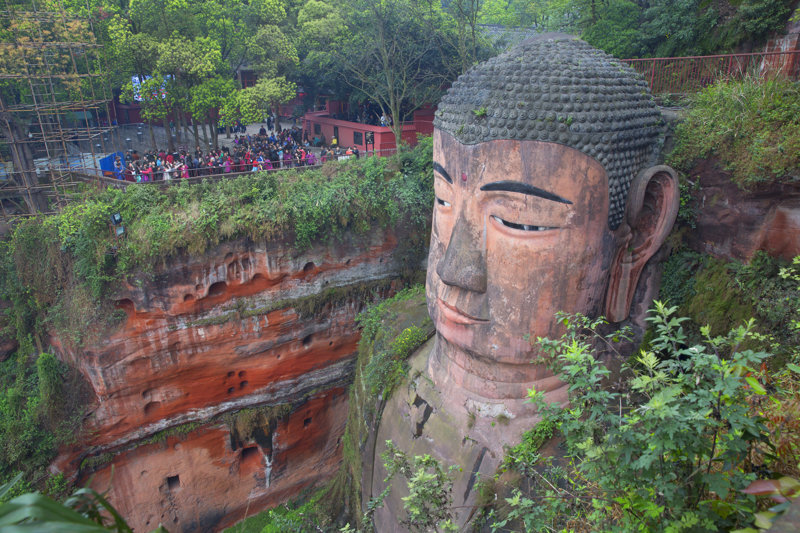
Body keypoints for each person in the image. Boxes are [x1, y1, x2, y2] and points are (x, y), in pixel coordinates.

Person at [369, 34, 679, 531]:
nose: (455, 271)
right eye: (442, 201)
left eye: (520, 222)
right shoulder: (390, 352)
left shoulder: (601, 481)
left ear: (638, 234)